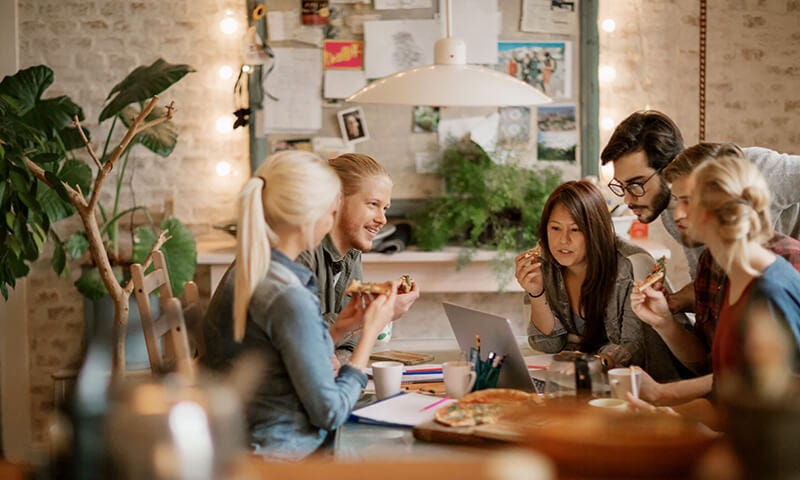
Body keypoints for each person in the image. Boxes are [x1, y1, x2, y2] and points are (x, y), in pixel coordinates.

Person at [203, 151, 397, 459]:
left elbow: (280, 353)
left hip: (241, 436)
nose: (333, 221)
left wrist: (341, 327)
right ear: (313, 215)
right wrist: (370, 331)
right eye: (332, 211)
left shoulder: (266, 270)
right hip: (282, 457)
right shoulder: (287, 295)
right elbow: (330, 413)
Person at [630, 149, 800, 425]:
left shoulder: (770, 290)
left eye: (686, 200)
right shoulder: (730, 275)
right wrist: (662, 413)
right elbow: (728, 394)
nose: (677, 213)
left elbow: (778, 422)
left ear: (723, 203)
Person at [601, 110, 800, 277]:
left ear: (668, 167)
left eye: (636, 184)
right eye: (622, 186)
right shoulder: (672, 213)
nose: (627, 199)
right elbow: (706, 280)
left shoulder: (758, 169)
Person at [515, 180, 666, 372]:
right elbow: (548, 346)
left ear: (595, 229)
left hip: (634, 382)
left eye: (576, 229)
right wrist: (536, 293)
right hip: (574, 378)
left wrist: (595, 363)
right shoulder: (543, 264)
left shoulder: (631, 265)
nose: (563, 240)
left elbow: (635, 348)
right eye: (555, 228)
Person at [298, 153, 420, 364]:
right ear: (336, 199)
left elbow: (348, 341)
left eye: (385, 208)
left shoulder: (351, 252)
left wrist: (336, 359)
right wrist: (377, 313)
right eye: (373, 204)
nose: (382, 219)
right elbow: (301, 340)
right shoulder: (298, 251)